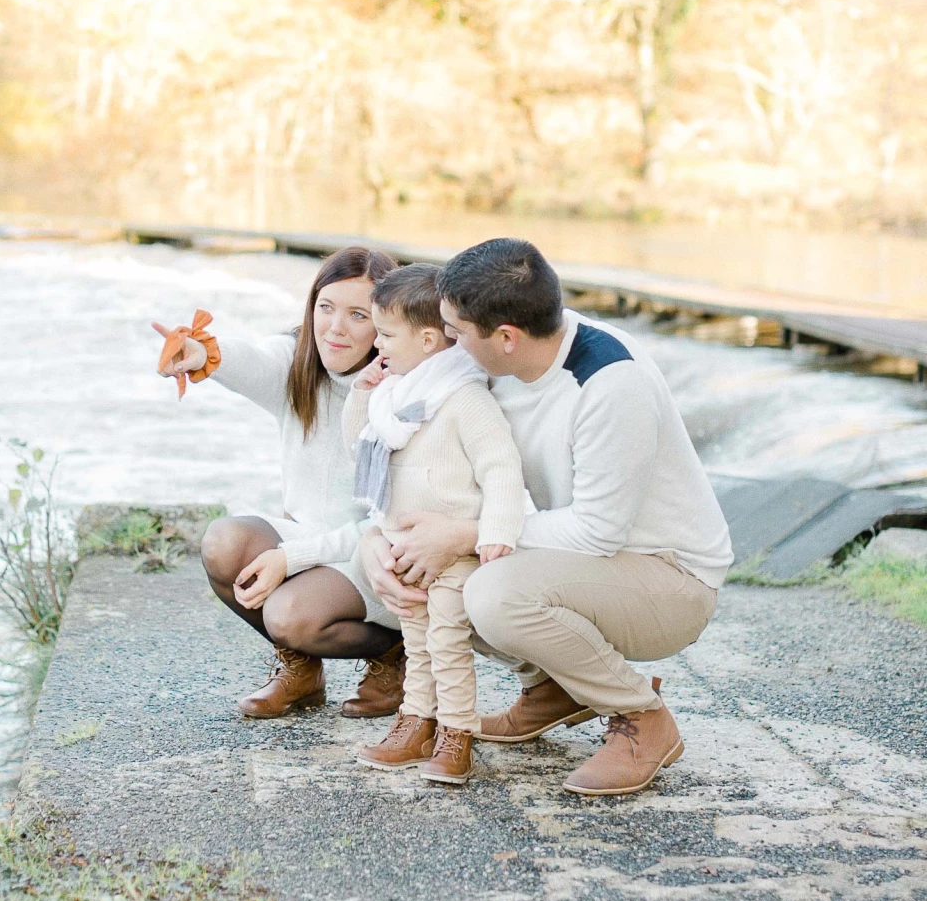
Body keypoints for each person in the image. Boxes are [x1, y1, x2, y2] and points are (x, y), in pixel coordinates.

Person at [360, 238, 733, 797]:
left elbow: (597, 531)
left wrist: (465, 533)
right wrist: (378, 537)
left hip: (669, 577)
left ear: (506, 337)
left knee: (491, 593)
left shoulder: (609, 385)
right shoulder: (491, 357)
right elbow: (425, 466)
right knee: (446, 577)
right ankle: (554, 689)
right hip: (591, 564)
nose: (448, 345)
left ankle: (642, 718)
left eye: (457, 332)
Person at [153, 245, 406, 720]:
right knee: (224, 542)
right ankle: (301, 672)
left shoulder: (402, 390)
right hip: (309, 540)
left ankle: (394, 656)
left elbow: (387, 525)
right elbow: (247, 358)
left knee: (289, 614)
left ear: (387, 323)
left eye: (358, 314)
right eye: (325, 307)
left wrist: (289, 558)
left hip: (377, 557)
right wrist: (200, 352)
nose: (335, 327)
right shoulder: (297, 364)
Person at [342, 265, 526, 786]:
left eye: (384, 334)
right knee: (417, 642)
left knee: (446, 643)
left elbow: (500, 466)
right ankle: (415, 721)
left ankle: (456, 733)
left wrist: (496, 533)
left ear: (428, 339)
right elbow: (356, 447)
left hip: (454, 551)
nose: (375, 344)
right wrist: (361, 394)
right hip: (409, 549)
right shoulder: (393, 396)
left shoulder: (463, 398)